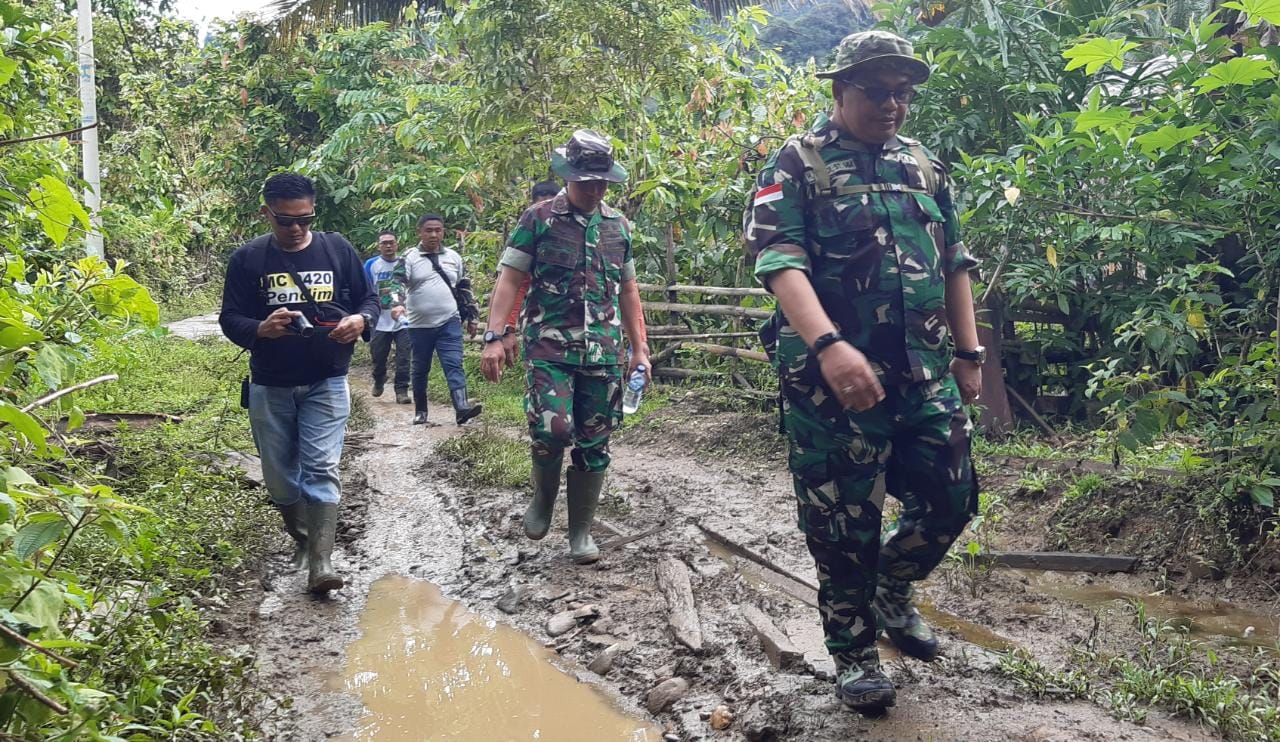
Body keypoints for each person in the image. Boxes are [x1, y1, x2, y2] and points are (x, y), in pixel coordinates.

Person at [743, 31, 984, 712]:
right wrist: (828, 345)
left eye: (902, 93)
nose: (891, 105)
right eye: (877, 91)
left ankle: (892, 588)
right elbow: (778, 262)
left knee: (951, 500)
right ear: (839, 90)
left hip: (923, 372)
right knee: (842, 522)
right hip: (832, 386)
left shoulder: (924, 166)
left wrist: (968, 354)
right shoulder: (798, 164)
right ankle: (853, 655)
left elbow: (954, 262)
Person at [481, 130, 650, 565]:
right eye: (587, 183)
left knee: (595, 444)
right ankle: (543, 497)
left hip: (603, 352)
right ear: (568, 177)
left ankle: (580, 532)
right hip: (549, 347)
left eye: (602, 183)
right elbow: (510, 279)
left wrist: (640, 350)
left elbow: (628, 290)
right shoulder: (538, 219)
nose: (595, 191)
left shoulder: (618, 226)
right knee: (552, 429)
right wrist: (495, 336)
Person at [219, 173, 378, 594]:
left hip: (327, 379)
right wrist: (261, 328)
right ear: (266, 213)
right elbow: (230, 318)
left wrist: (360, 320)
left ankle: (322, 562)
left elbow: (370, 300)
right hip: (270, 383)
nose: (295, 229)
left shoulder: (337, 249)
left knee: (321, 466)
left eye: (305, 220)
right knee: (279, 477)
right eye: (285, 220)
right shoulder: (248, 259)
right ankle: (303, 539)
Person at [403, 214, 483, 426]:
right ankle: (421, 411)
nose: (433, 234)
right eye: (428, 230)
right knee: (420, 368)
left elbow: (464, 288)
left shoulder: (454, 257)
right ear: (419, 232)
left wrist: (473, 317)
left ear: (443, 232)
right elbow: (396, 282)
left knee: (454, 363)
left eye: (438, 230)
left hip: (449, 320)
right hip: (419, 325)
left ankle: (461, 408)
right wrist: (395, 303)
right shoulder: (409, 257)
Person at [500, 179, 562, 368]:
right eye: (541, 204)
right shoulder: (527, 234)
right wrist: (507, 329)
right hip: (541, 330)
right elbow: (514, 284)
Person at [363, 230, 411, 404]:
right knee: (378, 356)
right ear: (379, 246)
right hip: (379, 320)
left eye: (391, 242)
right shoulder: (371, 265)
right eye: (384, 243)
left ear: (397, 244)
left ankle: (402, 390)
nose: (388, 246)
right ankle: (379, 378)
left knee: (404, 357)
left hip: (404, 319)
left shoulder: (405, 263)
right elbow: (364, 289)